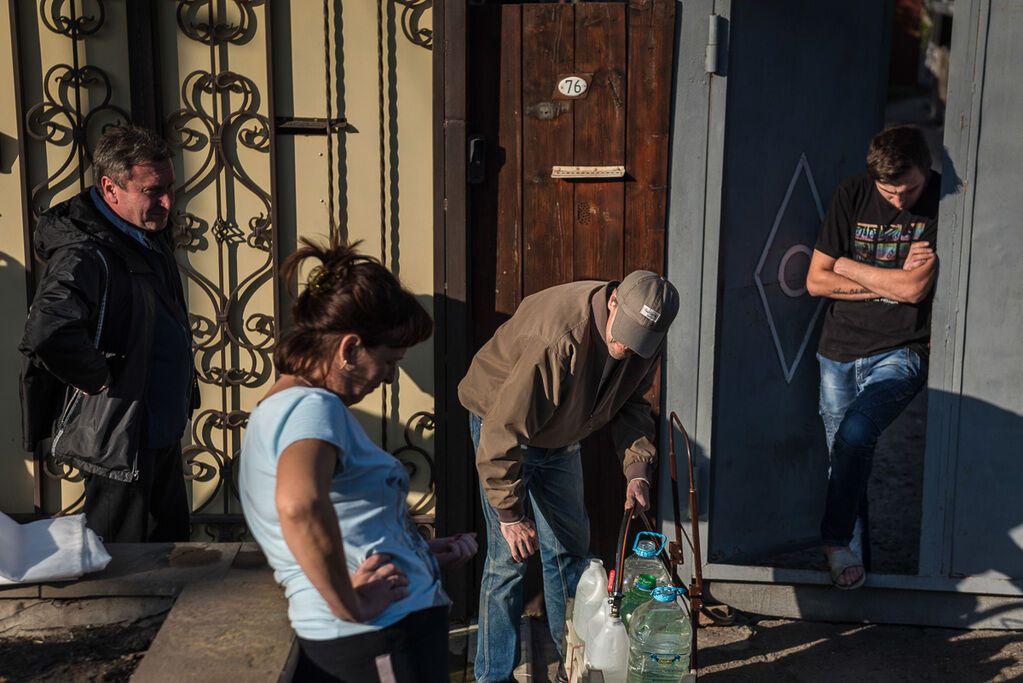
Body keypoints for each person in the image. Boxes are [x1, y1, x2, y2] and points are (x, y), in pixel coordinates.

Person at [239, 239, 477, 682]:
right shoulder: (312, 408)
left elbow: (343, 519)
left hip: (380, 635)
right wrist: (348, 602)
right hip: (376, 638)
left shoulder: (283, 408)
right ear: (349, 349)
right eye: (388, 361)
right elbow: (299, 504)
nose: (389, 377)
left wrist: (417, 552)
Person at [459, 270, 680, 682]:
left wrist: (637, 470)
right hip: (504, 429)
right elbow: (502, 430)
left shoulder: (644, 339)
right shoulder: (558, 339)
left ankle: (574, 667)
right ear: (613, 301)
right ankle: (493, 675)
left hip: (563, 435)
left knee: (569, 554)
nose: (626, 347)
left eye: (639, 342)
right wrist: (510, 514)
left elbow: (632, 404)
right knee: (508, 560)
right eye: (624, 335)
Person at [19, 124, 196, 542]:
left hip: (158, 429)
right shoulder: (85, 252)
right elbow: (48, 331)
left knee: (169, 554)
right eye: (153, 191)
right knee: (122, 565)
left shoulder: (142, 236)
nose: (168, 202)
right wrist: (97, 376)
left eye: (170, 187)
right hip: (120, 435)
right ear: (110, 188)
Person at [806, 125, 940, 590]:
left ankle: (835, 542)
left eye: (910, 189)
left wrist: (846, 263)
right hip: (838, 350)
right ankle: (852, 565)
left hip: (902, 350)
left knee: (857, 433)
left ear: (926, 169)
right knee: (845, 455)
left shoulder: (942, 200)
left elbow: (914, 289)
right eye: (889, 191)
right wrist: (883, 278)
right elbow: (816, 280)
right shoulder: (853, 193)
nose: (900, 200)